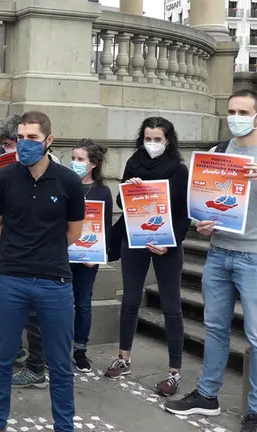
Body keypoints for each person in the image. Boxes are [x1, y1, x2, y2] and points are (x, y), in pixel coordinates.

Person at [0, 111, 85, 432]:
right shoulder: (3, 179)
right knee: (2, 358)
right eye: (21, 138)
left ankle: (64, 426)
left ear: (48, 141)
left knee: (59, 363)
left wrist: (45, 252)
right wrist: (18, 249)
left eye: (32, 138)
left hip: (54, 281)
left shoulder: (69, 181)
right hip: (11, 278)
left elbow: (75, 231)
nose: (24, 144)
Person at [164, 89, 257, 431]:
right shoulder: (219, 152)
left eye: (244, 111)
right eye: (232, 110)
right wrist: (200, 224)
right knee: (215, 328)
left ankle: (256, 410)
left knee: (256, 336)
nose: (236, 117)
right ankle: (207, 395)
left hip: (254, 256)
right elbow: (204, 203)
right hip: (218, 253)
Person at [103, 117, 189, 397]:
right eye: (148, 138)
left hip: (166, 243)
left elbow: (184, 212)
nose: (152, 144)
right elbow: (120, 202)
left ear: (168, 140)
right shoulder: (134, 162)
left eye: (157, 139)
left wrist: (171, 243)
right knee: (130, 299)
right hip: (135, 237)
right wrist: (130, 187)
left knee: (171, 305)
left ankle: (174, 371)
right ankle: (123, 357)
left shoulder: (178, 169)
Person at [68, 139, 113, 373]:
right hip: (62, 256)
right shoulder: (65, 184)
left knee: (83, 303)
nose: (75, 163)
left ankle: (80, 350)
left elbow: (105, 228)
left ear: (93, 164)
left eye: (80, 159)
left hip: (87, 258)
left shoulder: (103, 192)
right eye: (73, 158)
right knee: (60, 303)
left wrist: (96, 255)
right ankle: (56, 348)